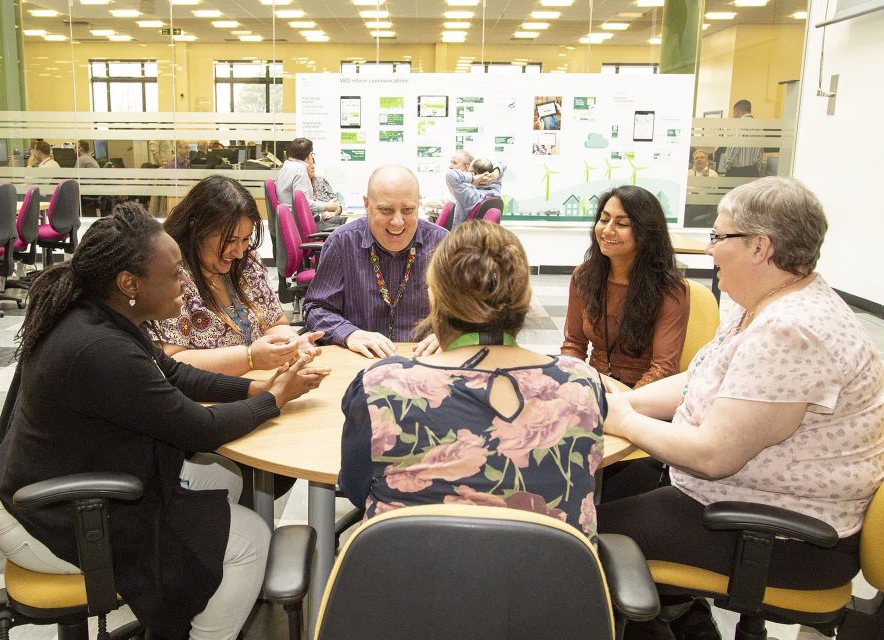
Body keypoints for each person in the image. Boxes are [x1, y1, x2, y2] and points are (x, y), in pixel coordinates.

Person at [0, 202, 330, 640]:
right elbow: (200, 430)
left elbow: (173, 374)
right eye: (173, 274)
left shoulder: (102, 314)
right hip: (54, 517)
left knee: (226, 480)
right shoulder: (99, 350)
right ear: (129, 282)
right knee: (250, 541)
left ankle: (190, 597)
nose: (184, 282)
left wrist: (256, 390)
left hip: (68, 479)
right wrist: (277, 398)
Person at [597, 177, 884, 638]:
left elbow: (714, 457)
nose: (709, 250)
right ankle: (686, 621)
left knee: (579, 536)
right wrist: (621, 401)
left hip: (783, 537)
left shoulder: (791, 331)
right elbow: (701, 378)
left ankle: (662, 623)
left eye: (718, 236)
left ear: (759, 247)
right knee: (605, 490)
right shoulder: (767, 301)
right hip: (741, 499)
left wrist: (623, 419)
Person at [339, 220, 606, 541]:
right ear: (525, 298)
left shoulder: (379, 386)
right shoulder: (581, 383)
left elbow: (355, 488)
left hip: (407, 583)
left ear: (435, 300)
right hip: (551, 586)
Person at [149, 175, 321, 376]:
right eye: (230, 240)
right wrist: (250, 358)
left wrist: (291, 344)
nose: (239, 252)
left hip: (260, 386)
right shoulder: (172, 276)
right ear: (197, 229)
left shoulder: (247, 263)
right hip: (206, 399)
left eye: (246, 239)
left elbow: (275, 324)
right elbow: (172, 360)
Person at [303, 164, 447, 358]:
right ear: (367, 204)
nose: (398, 222)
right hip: (361, 362)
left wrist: (451, 333)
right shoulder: (342, 243)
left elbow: (470, 312)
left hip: (425, 361)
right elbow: (316, 308)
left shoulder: (443, 245)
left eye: (408, 210)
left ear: (418, 204)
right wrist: (349, 333)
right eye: (386, 210)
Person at [562, 185, 689, 388]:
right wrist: (571, 385)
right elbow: (574, 344)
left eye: (622, 223)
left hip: (645, 397)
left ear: (645, 233)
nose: (607, 229)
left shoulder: (670, 288)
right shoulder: (584, 276)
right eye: (604, 220)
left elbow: (663, 368)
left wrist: (624, 405)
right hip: (597, 388)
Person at [276, 137, 342, 223]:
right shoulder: (300, 169)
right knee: (343, 225)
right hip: (303, 223)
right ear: (310, 155)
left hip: (291, 221)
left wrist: (327, 205)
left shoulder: (286, 166)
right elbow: (304, 203)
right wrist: (327, 206)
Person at [445, 150, 506, 227]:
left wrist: (473, 178)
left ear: (473, 174)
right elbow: (502, 161)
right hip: (483, 236)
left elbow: (450, 175)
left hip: (460, 237)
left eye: (469, 172)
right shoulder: (496, 188)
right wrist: (495, 174)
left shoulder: (470, 195)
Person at [723, 99, 763, 177]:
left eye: (733, 113)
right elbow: (760, 151)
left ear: (737, 112)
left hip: (738, 171)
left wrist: (728, 163)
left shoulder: (739, 124)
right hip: (753, 170)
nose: (733, 116)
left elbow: (736, 145)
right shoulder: (759, 127)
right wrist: (757, 169)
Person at [307, 153, 347, 230]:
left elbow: (337, 204)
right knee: (343, 230)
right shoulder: (302, 185)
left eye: (313, 164)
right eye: (309, 165)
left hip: (330, 215)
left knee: (344, 220)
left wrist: (332, 213)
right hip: (317, 219)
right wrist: (322, 212)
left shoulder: (321, 180)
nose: (313, 167)